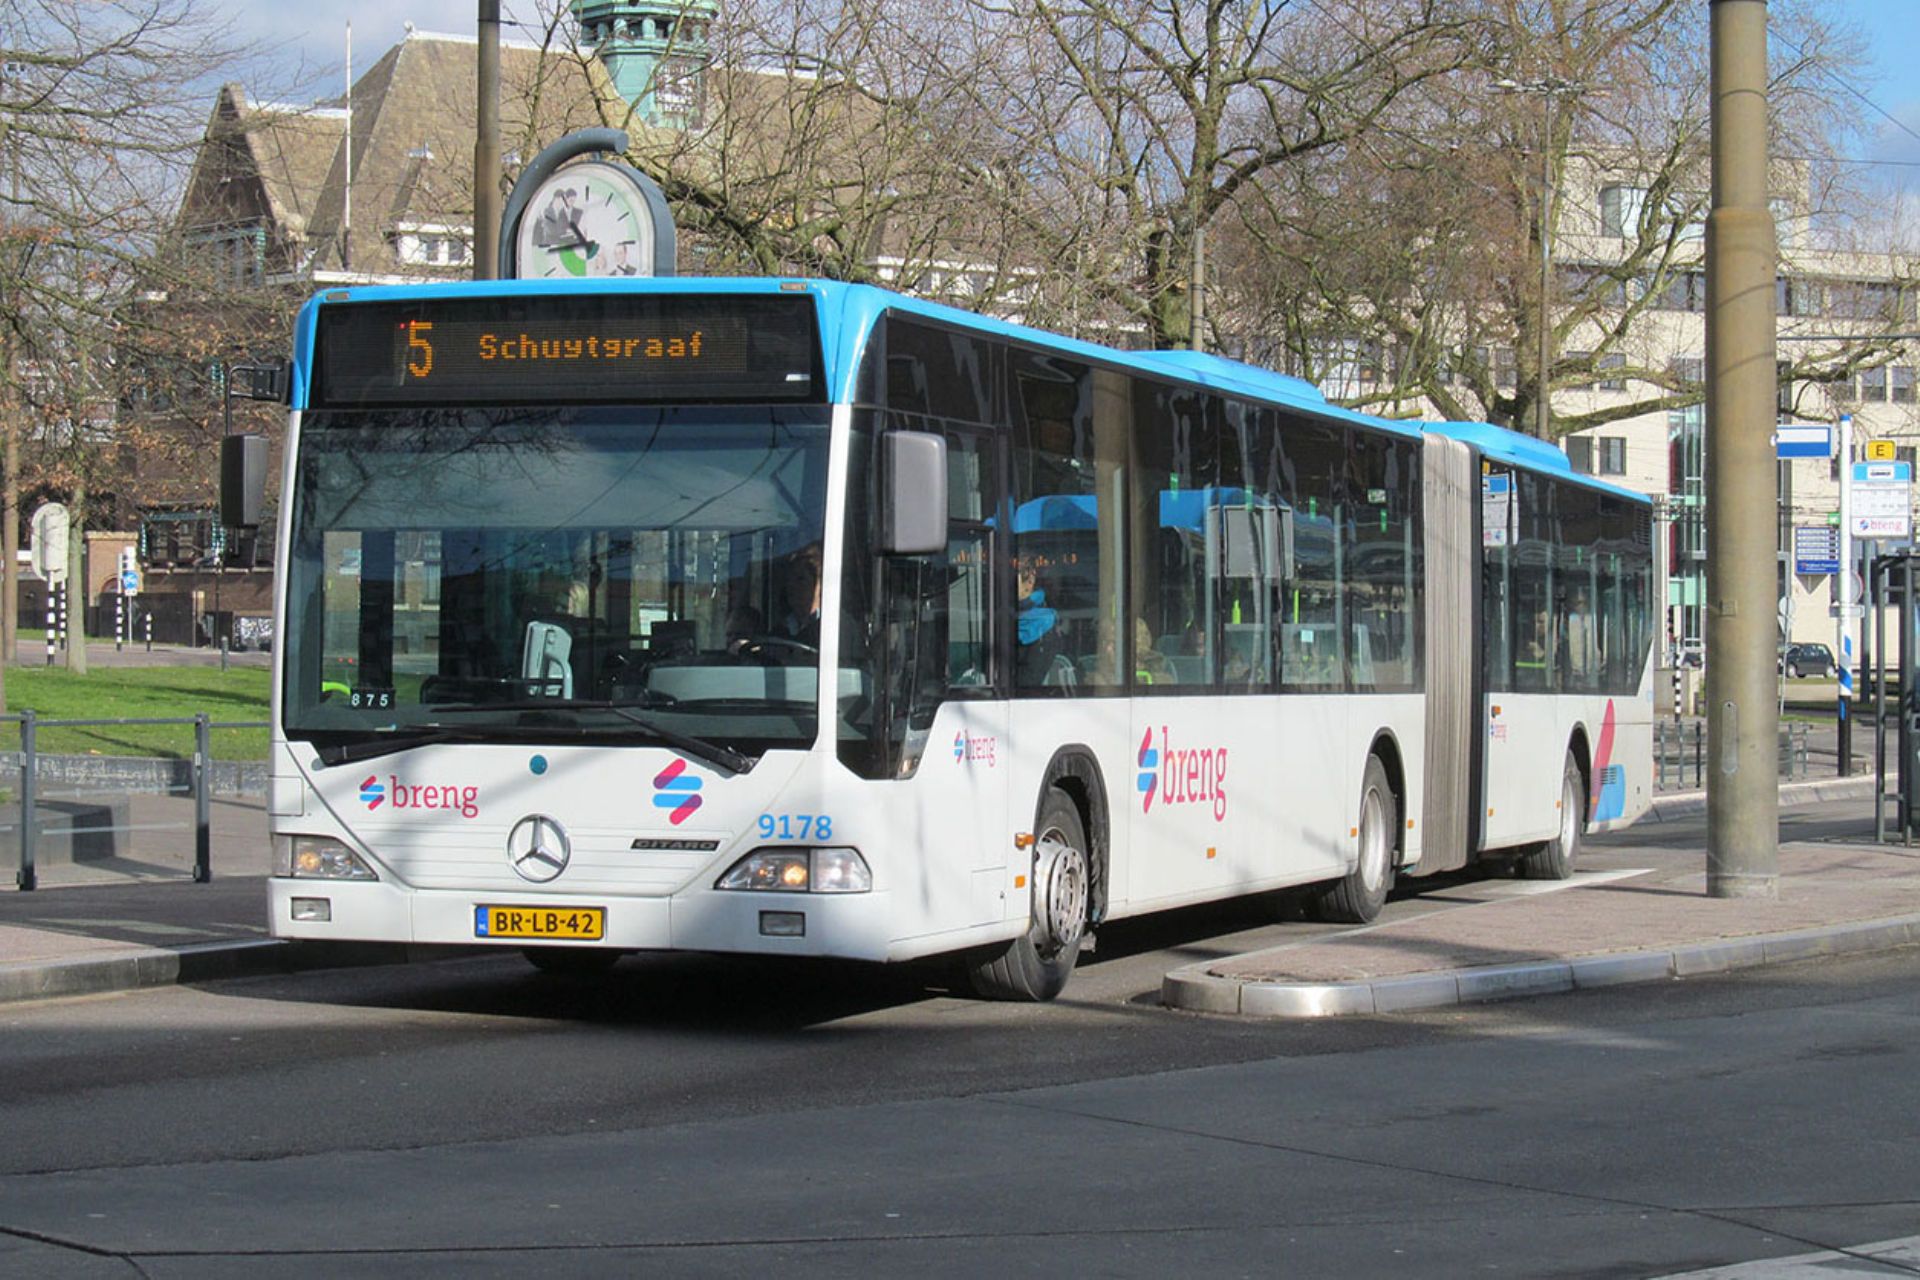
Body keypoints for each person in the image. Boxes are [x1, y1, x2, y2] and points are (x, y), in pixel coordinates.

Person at [779, 544, 823, 647]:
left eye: (800, 579)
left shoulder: (837, 627)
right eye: (789, 581)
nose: (792, 587)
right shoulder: (780, 631)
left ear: (819, 584)